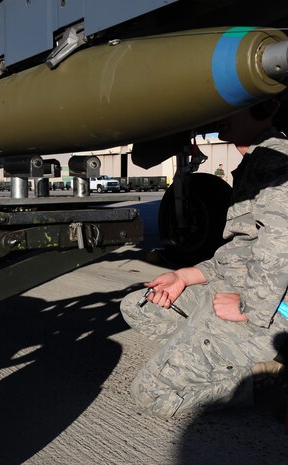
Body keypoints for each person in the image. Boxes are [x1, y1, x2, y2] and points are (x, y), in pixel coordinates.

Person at [120, 98, 288, 418]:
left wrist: (248, 307)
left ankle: (264, 381)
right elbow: (241, 252)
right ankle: (218, 355)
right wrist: (185, 275)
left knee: (150, 393)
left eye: (232, 107)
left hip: (272, 310)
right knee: (140, 306)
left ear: (263, 107)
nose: (220, 116)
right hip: (233, 287)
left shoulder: (274, 161)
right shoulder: (255, 160)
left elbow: (283, 245)